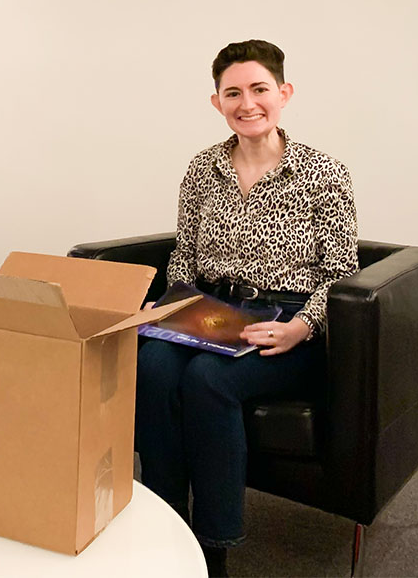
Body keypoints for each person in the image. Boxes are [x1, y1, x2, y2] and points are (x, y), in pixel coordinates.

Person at [134, 40, 358, 577]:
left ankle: (213, 545)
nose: (247, 102)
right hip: (211, 310)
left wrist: (303, 327)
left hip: (287, 319)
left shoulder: (322, 172)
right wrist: (168, 308)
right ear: (216, 102)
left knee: (211, 379)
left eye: (259, 89)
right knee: (153, 366)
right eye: (232, 93)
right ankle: (165, 522)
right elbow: (184, 256)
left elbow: (342, 274)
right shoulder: (201, 170)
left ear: (284, 93)